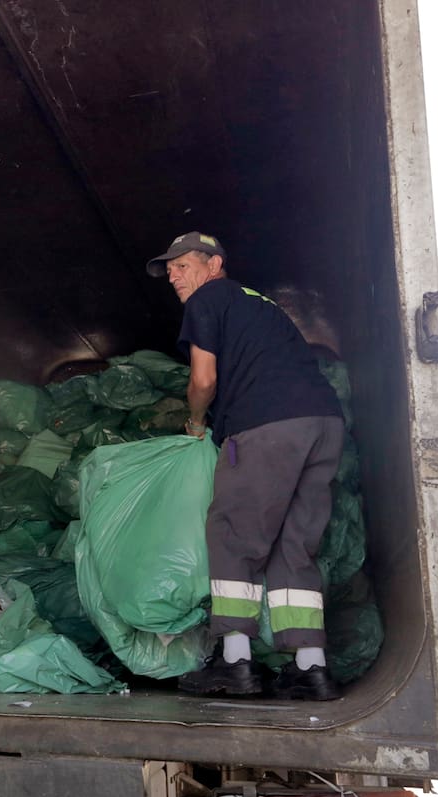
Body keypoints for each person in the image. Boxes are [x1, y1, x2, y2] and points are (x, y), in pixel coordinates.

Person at [146, 232, 345, 701]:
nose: (174, 276)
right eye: (169, 269)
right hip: (323, 424)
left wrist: (195, 422)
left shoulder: (207, 299)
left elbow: (203, 378)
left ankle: (235, 662)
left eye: (183, 265)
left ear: (214, 264)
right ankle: (310, 667)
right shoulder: (262, 304)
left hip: (266, 429)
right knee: (294, 547)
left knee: (234, 535)